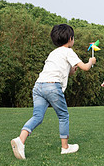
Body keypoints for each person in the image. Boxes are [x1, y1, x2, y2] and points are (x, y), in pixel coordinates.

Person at [10, 24, 96, 159]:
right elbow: (85, 67)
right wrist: (91, 61)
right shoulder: (68, 51)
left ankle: (20, 140)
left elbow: (68, 72)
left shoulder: (53, 53)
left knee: (37, 116)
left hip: (39, 86)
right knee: (63, 116)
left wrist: (72, 70)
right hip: (52, 86)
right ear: (70, 38)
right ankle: (65, 147)